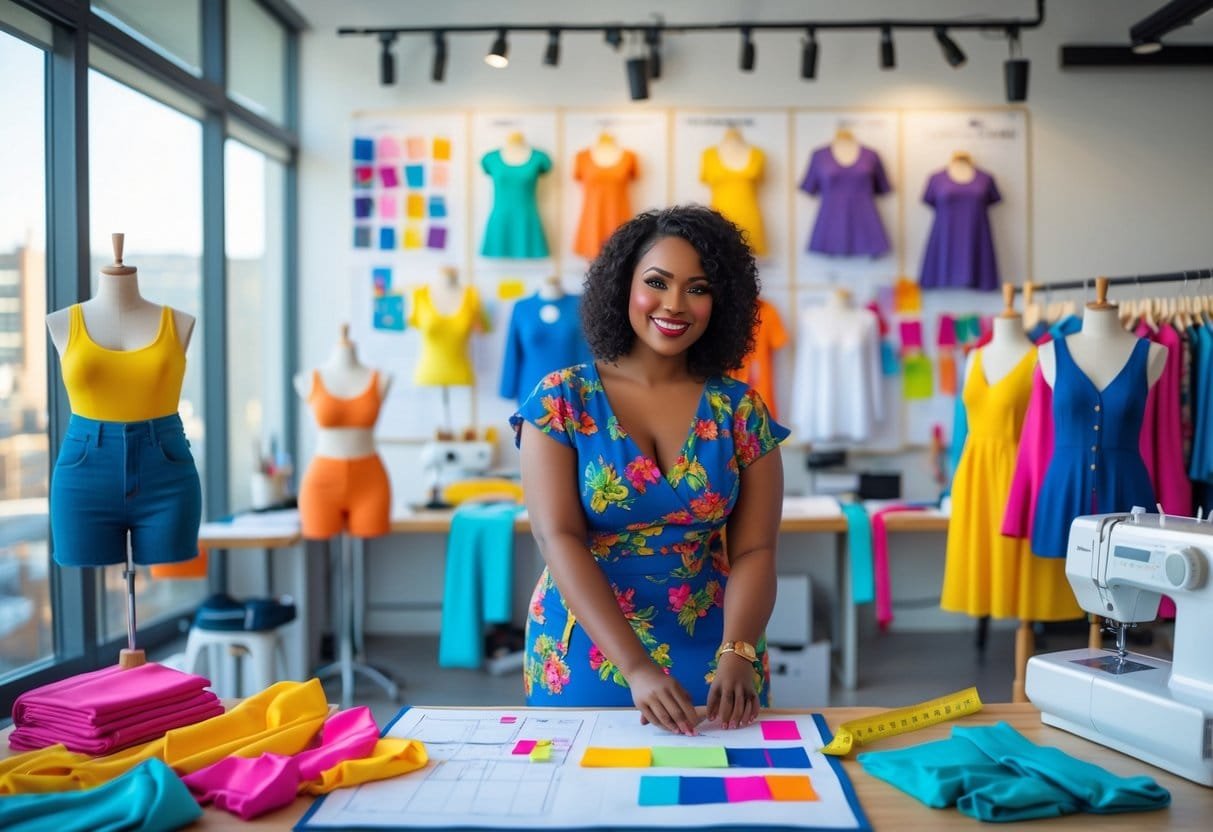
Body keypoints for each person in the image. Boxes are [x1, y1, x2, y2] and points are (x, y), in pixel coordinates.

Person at [511, 205, 788, 735]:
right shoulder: (562, 399)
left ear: (721, 302)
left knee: (729, 801)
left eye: (698, 288)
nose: (674, 304)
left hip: (721, 646)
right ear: (623, 286)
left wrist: (739, 652)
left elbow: (756, 549)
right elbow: (557, 537)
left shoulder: (740, 409)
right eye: (656, 282)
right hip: (591, 644)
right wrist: (635, 667)